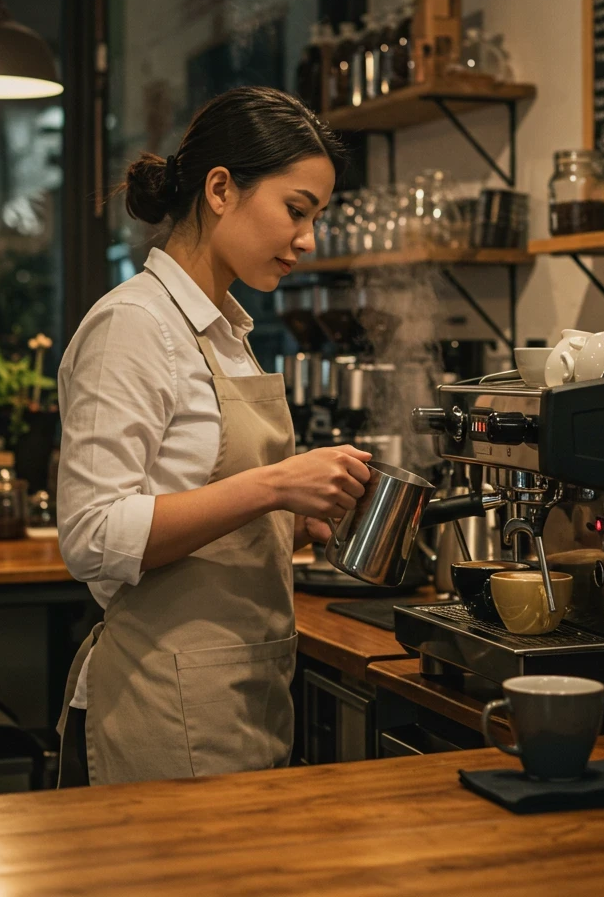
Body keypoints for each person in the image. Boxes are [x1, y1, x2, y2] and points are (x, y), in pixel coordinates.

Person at [55, 86, 372, 786]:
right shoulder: (135, 327)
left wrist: (297, 520)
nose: (308, 241)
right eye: (296, 211)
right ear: (221, 189)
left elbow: (207, 522)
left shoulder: (228, 335)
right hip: (161, 708)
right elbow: (93, 533)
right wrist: (276, 484)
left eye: (316, 217)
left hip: (245, 695)